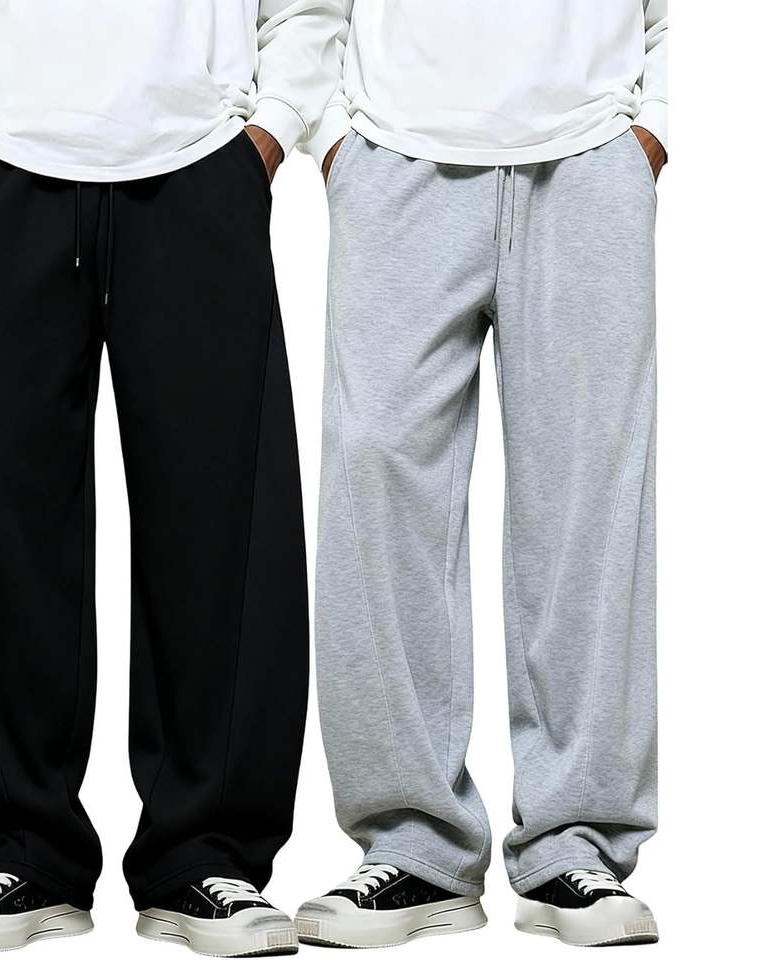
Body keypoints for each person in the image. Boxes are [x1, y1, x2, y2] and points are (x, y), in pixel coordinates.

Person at [0, 2, 340, 954]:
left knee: (221, 522)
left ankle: (206, 855)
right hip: (0, 159)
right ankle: (20, 853)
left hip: (200, 162)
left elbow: (305, 10)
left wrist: (271, 131)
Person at [296, 0, 667, 948]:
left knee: (590, 499)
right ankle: (413, 845)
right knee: (377, 484)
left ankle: (576, 842)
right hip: (393, 149)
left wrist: (654, 123)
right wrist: (332, 136)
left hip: (589, 150)